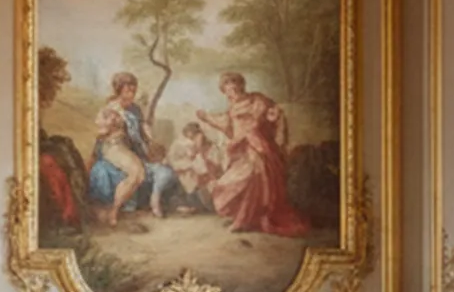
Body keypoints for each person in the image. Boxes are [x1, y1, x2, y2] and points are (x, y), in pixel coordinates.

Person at [198, 72, 313, 237]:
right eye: (227, 89)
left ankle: (243, 220)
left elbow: (260, 121)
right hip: (242, 150)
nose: (232, 92)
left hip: (258, 147)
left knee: (253, 179)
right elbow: (227, 125)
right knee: (229, 183)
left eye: (234, 87)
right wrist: (206, 117)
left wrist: (272, 118)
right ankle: (244, 217)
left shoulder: (257, 100)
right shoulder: (232, 108)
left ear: (241, 86)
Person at [87, 72, 177, 227]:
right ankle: (114, 212)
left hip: (128, 149)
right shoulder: (111, 108)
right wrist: (109, 128)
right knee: (137, 173)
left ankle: (115, 210)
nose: (131, 92)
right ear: (119, 89)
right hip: (113, 147)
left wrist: (151, 141)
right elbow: (99, 133)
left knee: (140, 174)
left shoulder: (135, 109)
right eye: (127, 89)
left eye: (133, 89)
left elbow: (143, 127)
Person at [165, 120, 221, 213]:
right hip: (189, 175)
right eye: (189, 137)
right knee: (188, 183)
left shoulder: (209, 148)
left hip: (205, 176)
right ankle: (192, 203)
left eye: (194, 136)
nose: (192, 140)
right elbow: (172, 160)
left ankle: (201, 203)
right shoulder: (180, 145)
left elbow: (212, 165)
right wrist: (187, 165)